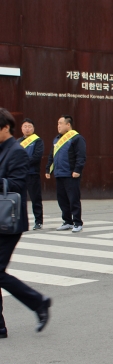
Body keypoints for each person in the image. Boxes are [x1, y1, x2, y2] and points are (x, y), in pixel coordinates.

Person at [0, 109, 51, 339]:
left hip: (10, 221)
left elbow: (18, 185)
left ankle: (39, 302)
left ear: (4, 128)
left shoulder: (16, 152)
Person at [45, 115, 87, 232]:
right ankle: (67, 221)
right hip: (59, 174)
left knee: (73, 199)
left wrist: (77, 170)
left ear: (68, 125)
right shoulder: (57, 140)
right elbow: (51, 156)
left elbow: (81, 156)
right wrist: (48, 169)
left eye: (60, 123)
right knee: (62, 199)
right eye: (57, 123)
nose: (58, 126)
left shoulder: (77, 138)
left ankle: (77, 222)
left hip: (71, 174)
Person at [17, 118, 44, 230]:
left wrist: (23, 162)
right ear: (21, 128)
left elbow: (37, 157)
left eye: (29, 126)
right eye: (25, 126)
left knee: (35, 198)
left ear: (33, 128)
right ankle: (21, 221)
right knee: (20, 199)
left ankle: (38, 221)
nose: (27, 128)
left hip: (32, 173)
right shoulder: (17, 142)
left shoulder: (37, 141)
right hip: (20, 175)